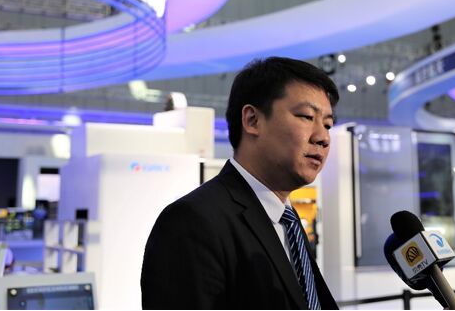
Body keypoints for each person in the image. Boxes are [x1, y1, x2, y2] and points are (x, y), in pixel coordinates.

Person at [141, 57, 339, 309]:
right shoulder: (191, 222)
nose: (323, 137)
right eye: (306, 116)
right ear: (252, 120)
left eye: (328, 124)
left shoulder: (288, 223)